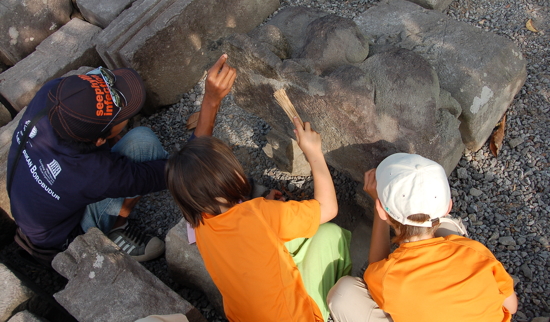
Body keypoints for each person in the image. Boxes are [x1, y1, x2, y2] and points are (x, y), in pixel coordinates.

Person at [8, 54, 236, 263]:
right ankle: (116, 228)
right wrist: (211, 100)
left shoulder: (52, 94)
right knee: (143, 144)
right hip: (63, 238)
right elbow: (187, 169)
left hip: (34, 206)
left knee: (131, 140)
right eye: (123, 113)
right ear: (99, 140)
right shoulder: (93, 174)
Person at [165, 118, 352, 322]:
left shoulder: (200, 224)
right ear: (231, 174)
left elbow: (245, 229)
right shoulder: (259, 213)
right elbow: (328, 208)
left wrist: (265, 208)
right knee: (331, 234)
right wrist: (314, 152)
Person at [327, 153, 518, 322]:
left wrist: (379, 207)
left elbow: (376, 269)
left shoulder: (388, 275)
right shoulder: (475, 251)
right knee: (448, 229)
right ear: (447, 207)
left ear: (382, 211)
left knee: (344, 294)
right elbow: (511, 307)